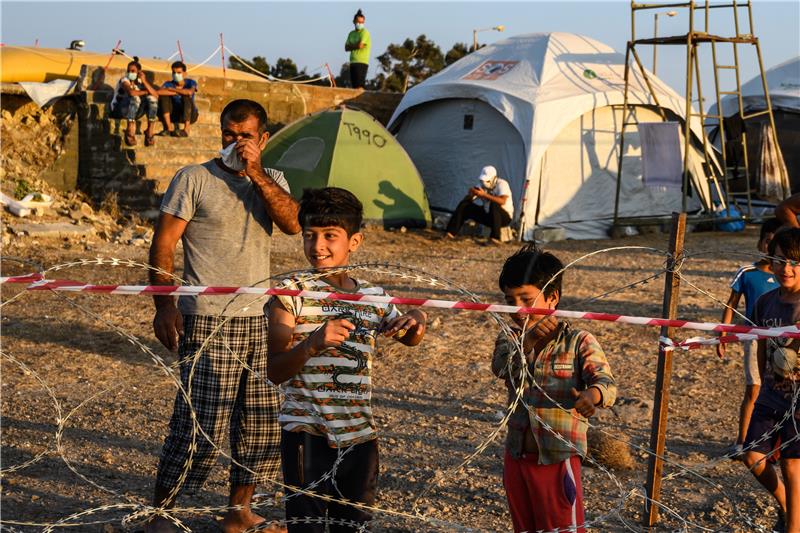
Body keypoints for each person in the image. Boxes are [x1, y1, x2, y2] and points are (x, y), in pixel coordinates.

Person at [145, 99, 301, 533]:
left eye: (245, 136)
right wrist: (164, 304)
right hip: (207, 319)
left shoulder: (273, 181)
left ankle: (239, 512)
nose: (235, 144)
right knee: (198, 422)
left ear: (263, 139)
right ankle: (162, 514)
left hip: (259, 320)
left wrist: (256, 173)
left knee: (259, 424)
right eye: (228, 135)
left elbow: (292, 224)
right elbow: (163, 244)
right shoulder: (194, 178)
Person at [266, 187, 427, 532]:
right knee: (306, 525)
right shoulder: (291, 293)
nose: (317, 246)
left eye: (330, 236)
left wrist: (416, 321)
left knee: (351, 525)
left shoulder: (374, 297)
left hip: (359, 437)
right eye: (310, 235)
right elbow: (275, 369)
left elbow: (410, 336)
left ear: (354, 241)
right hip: (306, 435)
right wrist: (312, 344)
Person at [491, 245, 617, 533]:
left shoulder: (578, 341)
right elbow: (500, 367)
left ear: (552, 298)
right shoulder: (509, 338)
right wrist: (528, 342)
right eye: (511, 301)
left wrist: (591, 397)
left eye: (527, 299)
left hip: (557, 458)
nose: (519, 310)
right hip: (517, 457)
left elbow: (605, 382)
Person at [742, 227, 800, 533]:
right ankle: (787, 505)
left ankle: (794, 526)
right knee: (752, 455)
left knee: (792, 464)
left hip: (799, 399)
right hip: (771, 394)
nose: (786, 269)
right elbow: (762, 349)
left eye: (794, 262)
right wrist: (763, 387)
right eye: (779, 261)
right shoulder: (765, 302)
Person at [717, 218, 781, 457]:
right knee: (754, 389)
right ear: (761, 242)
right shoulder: (747, 273)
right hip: (753, 337)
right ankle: (742, 442)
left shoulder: (789, 276)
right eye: (768, 241)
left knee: (781, 391)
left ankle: (775, 445)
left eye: (777, 245)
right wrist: (722, 333)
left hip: (783, 341)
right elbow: (731, 305)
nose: (771, 248)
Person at [446, 165, 514, 244]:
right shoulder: (481, 185)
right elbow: (469, 199)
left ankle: (495, 238)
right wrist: (471, 194)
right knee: (465, 205)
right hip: (488, 215)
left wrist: (484, 195)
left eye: (487, 181)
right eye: (482, 180)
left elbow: (502, 201)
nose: (484, 183)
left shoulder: (502, 184)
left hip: (504, 217)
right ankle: (450, 233)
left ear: (493, 178)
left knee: (494, 204)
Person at [109, 57, 160, 147]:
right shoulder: (124, 80)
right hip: (120, 109)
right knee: (135, 97)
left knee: (152, 99)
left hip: (135, 111)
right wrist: (145, 92)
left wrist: (144, 81)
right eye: (128, 71)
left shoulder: (141, 82)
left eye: (133, 71)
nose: (130, 73)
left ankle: (150, 131)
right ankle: (130, 129)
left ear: (139, 72)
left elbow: (156, 95)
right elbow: (131, 93)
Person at [158, 61, 199, 137]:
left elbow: (190, 92)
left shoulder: (191, 82)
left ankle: (186, 130)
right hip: (174, 113)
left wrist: (173, 90)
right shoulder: (168, 83)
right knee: (164, 97)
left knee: (186, 97)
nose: (176, 75)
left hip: (190, 114)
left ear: (184, 74)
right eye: (174, 73)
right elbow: (159, 92)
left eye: (179, 73)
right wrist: (181, 92)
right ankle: (169, 128)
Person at [344, 9, 370, 89]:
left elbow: (360, 45)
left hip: (362, 62)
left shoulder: (364, 32)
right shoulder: (351, 34)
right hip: (352, 62)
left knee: (359, 85)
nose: (360, 24)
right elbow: (346, 47)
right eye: (358, 22)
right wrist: (356, 45)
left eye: (362, 22)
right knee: (354, 86)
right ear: (354, 22)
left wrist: (352, 45)